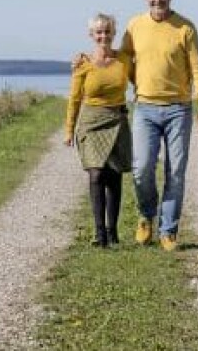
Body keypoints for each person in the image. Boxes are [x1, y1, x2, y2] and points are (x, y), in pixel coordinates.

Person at [121, 0, 198, 252]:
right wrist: (89, 62)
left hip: (178, 110)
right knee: (142, 168)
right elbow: (122, 61)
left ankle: (168, 230)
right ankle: (146, 215)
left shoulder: (185, 28)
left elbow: (197, 68)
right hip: (145, 108)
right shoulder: (134, 26)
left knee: (176, 172)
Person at [64, 13, 133, 248]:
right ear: (92, 35)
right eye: (99, 32)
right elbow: (74, 99)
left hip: (117, 119)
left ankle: (113, 232)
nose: (104, 35)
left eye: (108, 31)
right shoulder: (83, 64)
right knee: (96, 174)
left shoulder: (124, 60)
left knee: (114, 175)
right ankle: (99, 233)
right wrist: (69, 129)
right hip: (91, 122)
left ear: (114, 34)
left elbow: (142, 81)